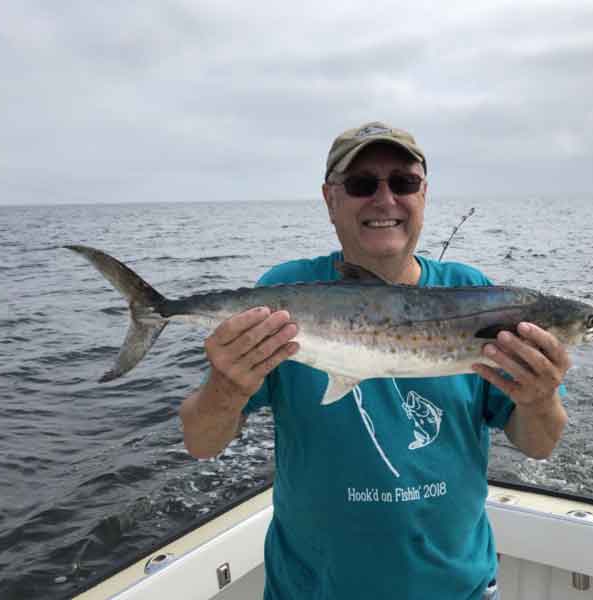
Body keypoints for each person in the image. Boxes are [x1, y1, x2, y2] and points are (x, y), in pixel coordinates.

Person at [179, 122, 570, 600]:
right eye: (362, 184)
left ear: (423, 194)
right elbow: (201, 442)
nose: (385, 200)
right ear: (330, 199)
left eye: (403, 182)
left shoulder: (477, 295)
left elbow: (540, 444)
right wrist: (225, 388)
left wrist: (540, 398)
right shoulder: (283, 296)